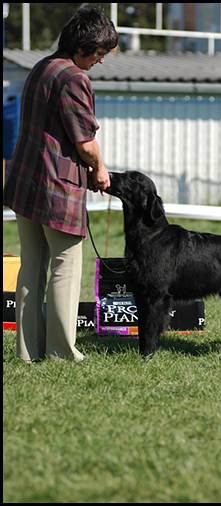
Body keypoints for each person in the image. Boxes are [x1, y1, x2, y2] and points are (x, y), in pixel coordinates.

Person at [3, 7, 118, 362]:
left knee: (31, 268)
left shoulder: (42, 67)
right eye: (99, 54)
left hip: (26, 184)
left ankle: (28, 352)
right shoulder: (74, 78)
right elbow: (84, 143)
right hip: (57, 189)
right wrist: (100, 169)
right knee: (65, 266)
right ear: (84, 47)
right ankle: (61, 352)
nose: (99, 62)